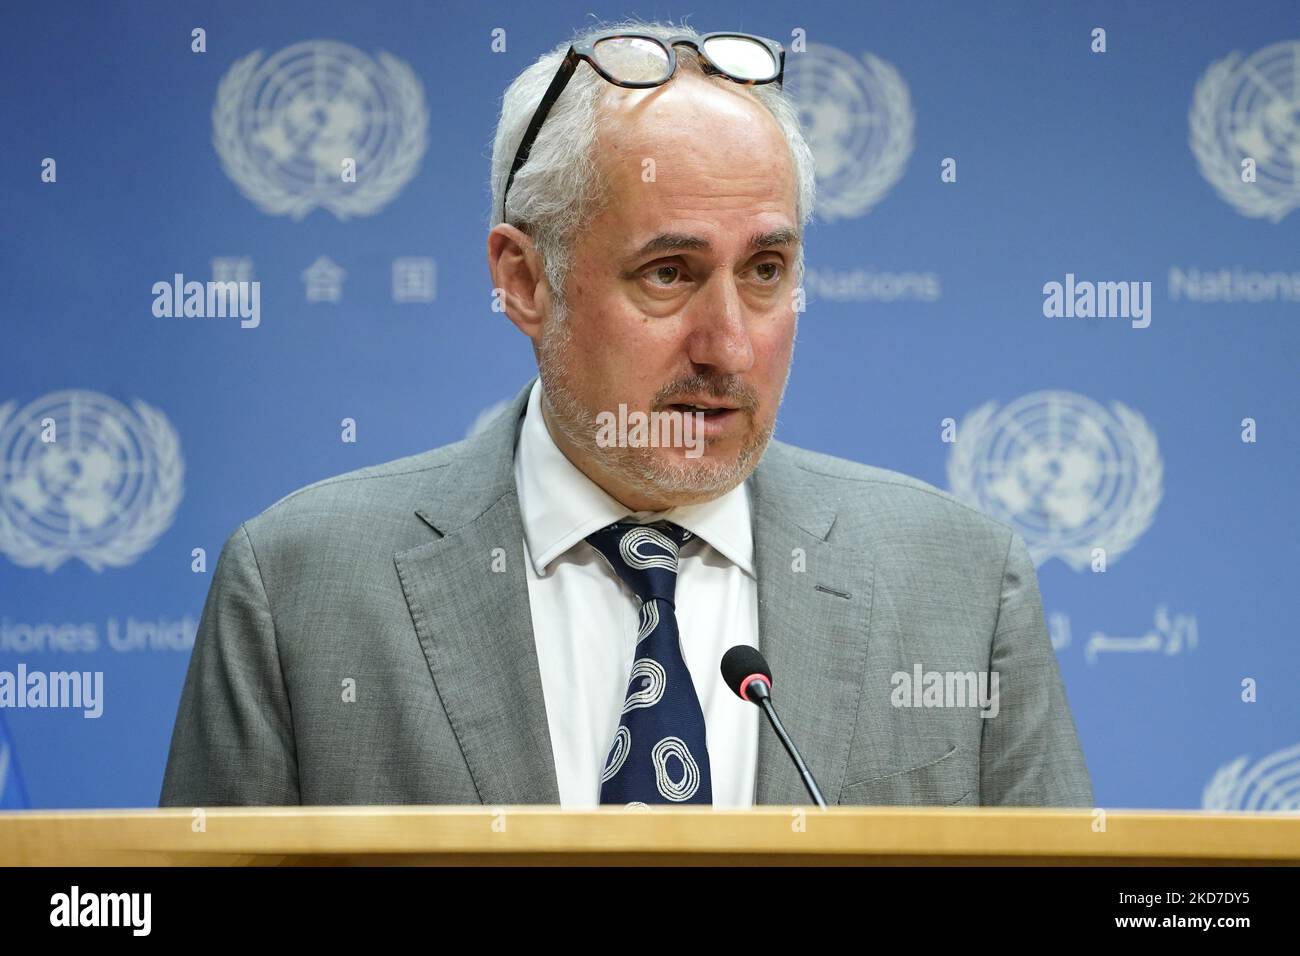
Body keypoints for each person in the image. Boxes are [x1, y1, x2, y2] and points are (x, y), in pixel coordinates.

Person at [160, 20, 1092, 809]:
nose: (727, 346)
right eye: (668, 273)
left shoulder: (964, 588)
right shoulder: (296, 592)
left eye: (765, 271)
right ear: (524, 280)